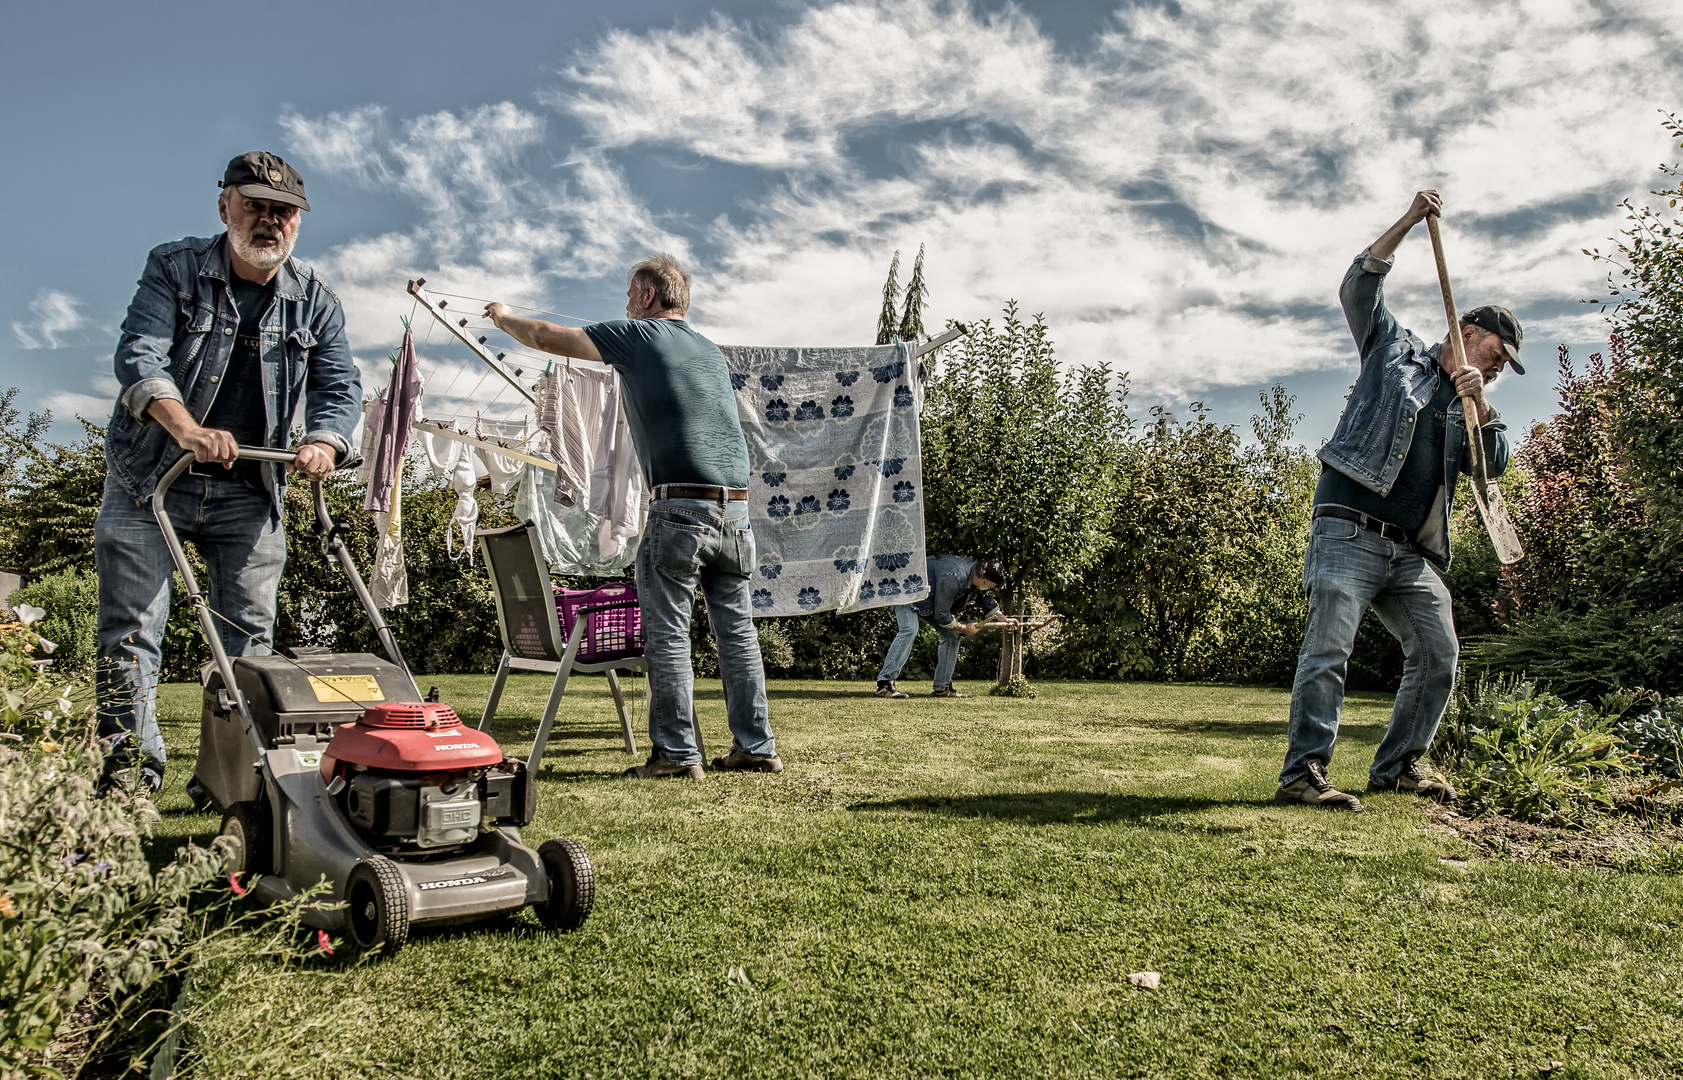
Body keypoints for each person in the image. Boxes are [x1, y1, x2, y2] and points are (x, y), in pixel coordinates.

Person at [97, 152, 361, 794]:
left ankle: (231, 781)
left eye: (284, 212)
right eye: (255, 206)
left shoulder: (316, 303)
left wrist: (325, 441)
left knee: (248, 645)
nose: (269, 221)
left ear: (297, 222)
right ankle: (129, 772)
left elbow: (339, 386)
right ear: (225, 207)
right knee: (132, 632)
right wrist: (185, 427)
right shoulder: (175, 268)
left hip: (251, 489)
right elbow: (139, 353)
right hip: (151, 478)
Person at [484, 254, 780, 780]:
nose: (624, 305)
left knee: (667, 633)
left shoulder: (639, 337)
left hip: (680, 509)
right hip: (736, 511)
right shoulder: (711, 352)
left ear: (646, 296)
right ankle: (755, 747)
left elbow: (551, 337)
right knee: (737, 632)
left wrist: (504, 316)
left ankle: (676, 754)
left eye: (628, 296)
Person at [1277, 189, 1523, 812]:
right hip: (1348, 529)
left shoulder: (1473, 405)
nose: (1493, 370)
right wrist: (1411, 221)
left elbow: (1490, 468)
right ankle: (1304, 774)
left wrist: (1482, 404)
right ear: (1468, 332)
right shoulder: (1393, 349)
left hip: (1411, 552)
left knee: (1439, 651)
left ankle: (1399, 767)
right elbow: (1358, 288)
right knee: (1330, 648)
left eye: (1500, 370)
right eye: (1493, 358)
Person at [874, 555, 1010, 699]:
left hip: (927, 599)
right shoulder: (955, 576)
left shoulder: (974, 572)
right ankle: (884, 684)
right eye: (992, 586)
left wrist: (1005, 620)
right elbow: (942, 614)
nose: (989, 589)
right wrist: (964, 628)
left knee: (952, 635)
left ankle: (942, 688)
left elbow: (984, 598)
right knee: (910, 629)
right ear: (985, 581)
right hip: (906, 589)